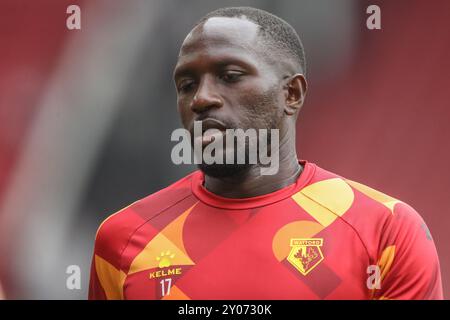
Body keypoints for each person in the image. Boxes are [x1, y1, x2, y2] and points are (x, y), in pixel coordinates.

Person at [88, 7, 443, 300]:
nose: (201, 99)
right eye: (187, 85)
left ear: (291, 94)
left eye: (229, 75)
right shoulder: (124, 239)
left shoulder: (385, 231)